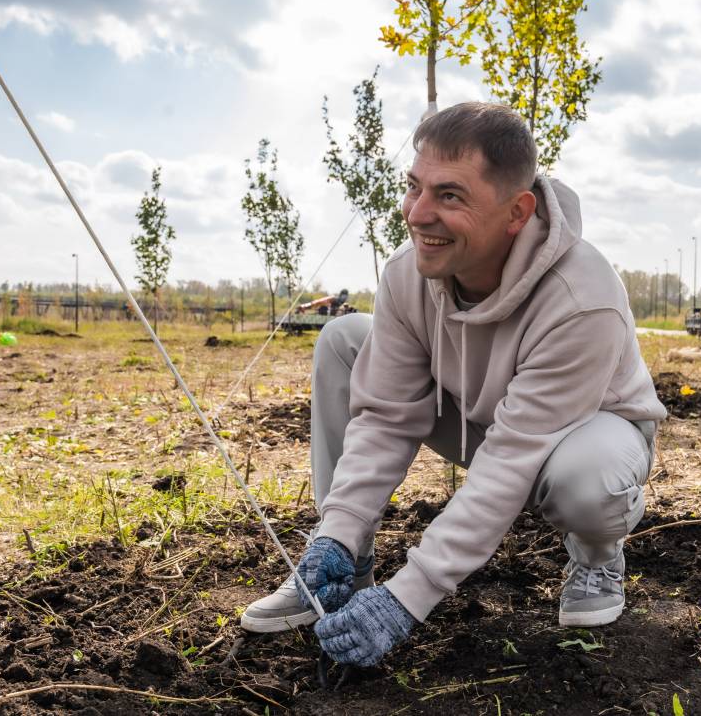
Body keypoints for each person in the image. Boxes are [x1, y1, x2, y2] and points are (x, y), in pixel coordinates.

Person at [240, 103, 666, 667]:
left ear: (517, 212)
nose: (417, 215)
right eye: (414, 188)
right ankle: (343, 557)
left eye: (449, 196)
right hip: (475, 413)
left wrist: (405, 600)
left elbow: (513, 457)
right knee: (344, 339)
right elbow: (386, 416)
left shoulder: (582, 298)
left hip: (586, 430)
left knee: (587, 482)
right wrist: (339, 531)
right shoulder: (406, 274)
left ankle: (597, 554)